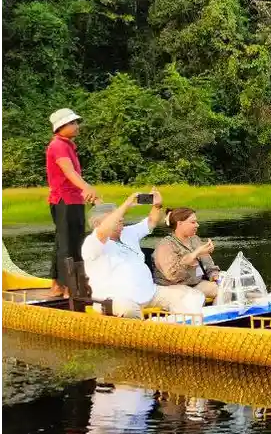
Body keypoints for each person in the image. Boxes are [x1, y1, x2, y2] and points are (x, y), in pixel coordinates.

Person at [82, 190, 206, 319]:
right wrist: (126, 205)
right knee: (128, 309)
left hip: (150, 293)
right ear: (97, 224)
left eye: (120, 215)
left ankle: (182, 330)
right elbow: (103, 232)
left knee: (192, 296)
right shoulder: (93, 243)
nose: (121, 218)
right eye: (114, 216)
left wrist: (157, 206)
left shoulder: (128, 232)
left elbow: (151, 222)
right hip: (114, 300)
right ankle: (145, 334)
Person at [46, 108, 99, 297]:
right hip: (65, 200)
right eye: (72, 123)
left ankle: (58, 285)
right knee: (69, 244)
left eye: (76, 122)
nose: (77, 126)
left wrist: (86, 192)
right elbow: (69, 172)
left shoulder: (67, 145)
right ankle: (69, 287)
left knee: (64, 242)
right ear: (61, 127)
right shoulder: (58, 145)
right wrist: (87, 188)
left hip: (72, 200)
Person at [152, 208, 220, 301]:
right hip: (172, 287)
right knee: (195, 297)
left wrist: (215, 276)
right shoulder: (165, 245)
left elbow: (208, 264)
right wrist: (195, 254)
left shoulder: (194, 239)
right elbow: (172, 276)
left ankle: (222, 314)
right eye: (193, 222)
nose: (197, 225)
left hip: (194, 283)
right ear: (180, 224)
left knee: (224, 289)